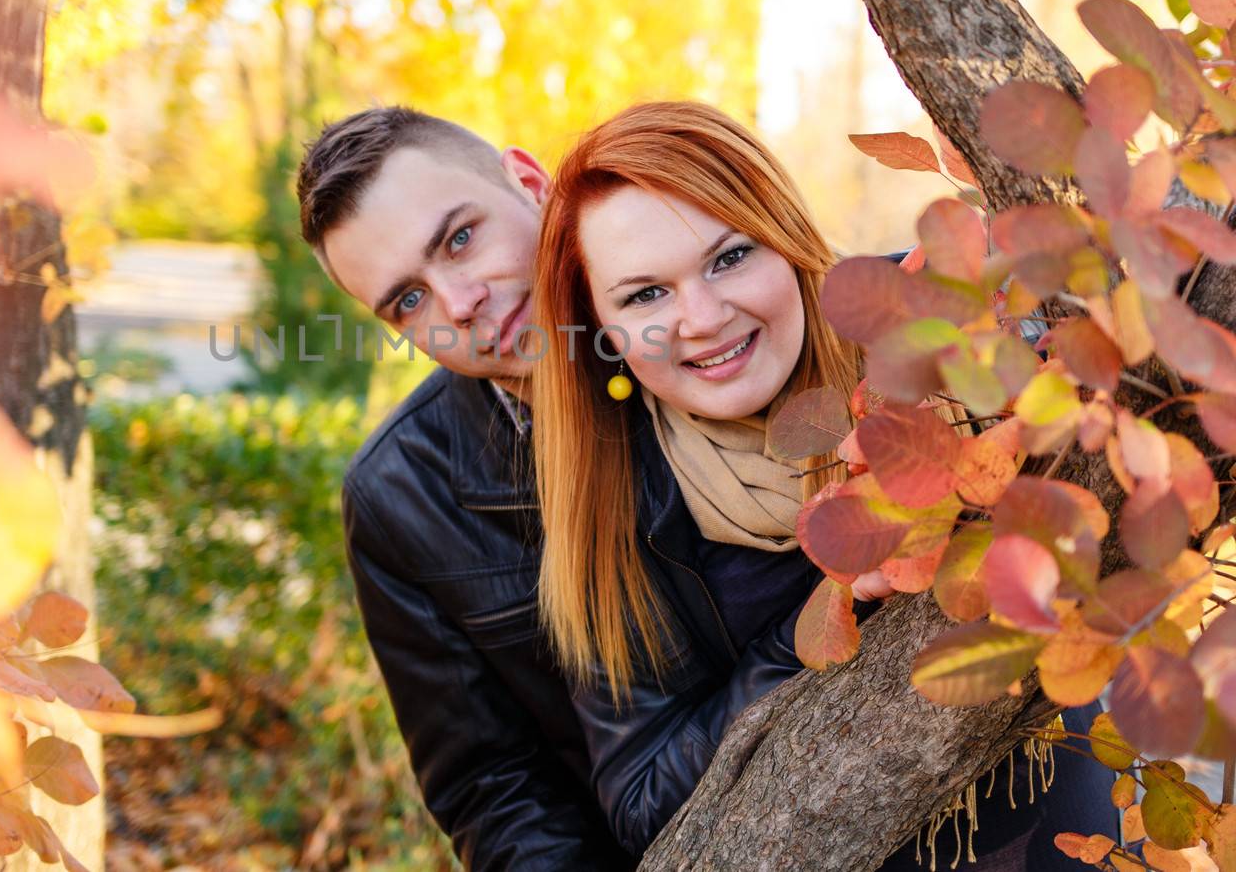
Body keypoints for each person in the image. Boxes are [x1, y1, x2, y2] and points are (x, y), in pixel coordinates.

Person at [529, 100, 1117, 868]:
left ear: (789, 241)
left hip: (1074, 838)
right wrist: (834, 610)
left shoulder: (943, 334)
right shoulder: (619, 505)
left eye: (730, 256)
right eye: (645, 295)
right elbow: (643, 801)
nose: (702, 318)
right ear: (601, 327)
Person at [295, 106, 800, 869]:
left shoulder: (718, 338)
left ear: (530, 184)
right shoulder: (403, 492)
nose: (458, 303)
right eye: (408, 299)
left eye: (460, 238)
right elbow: (491, 786)